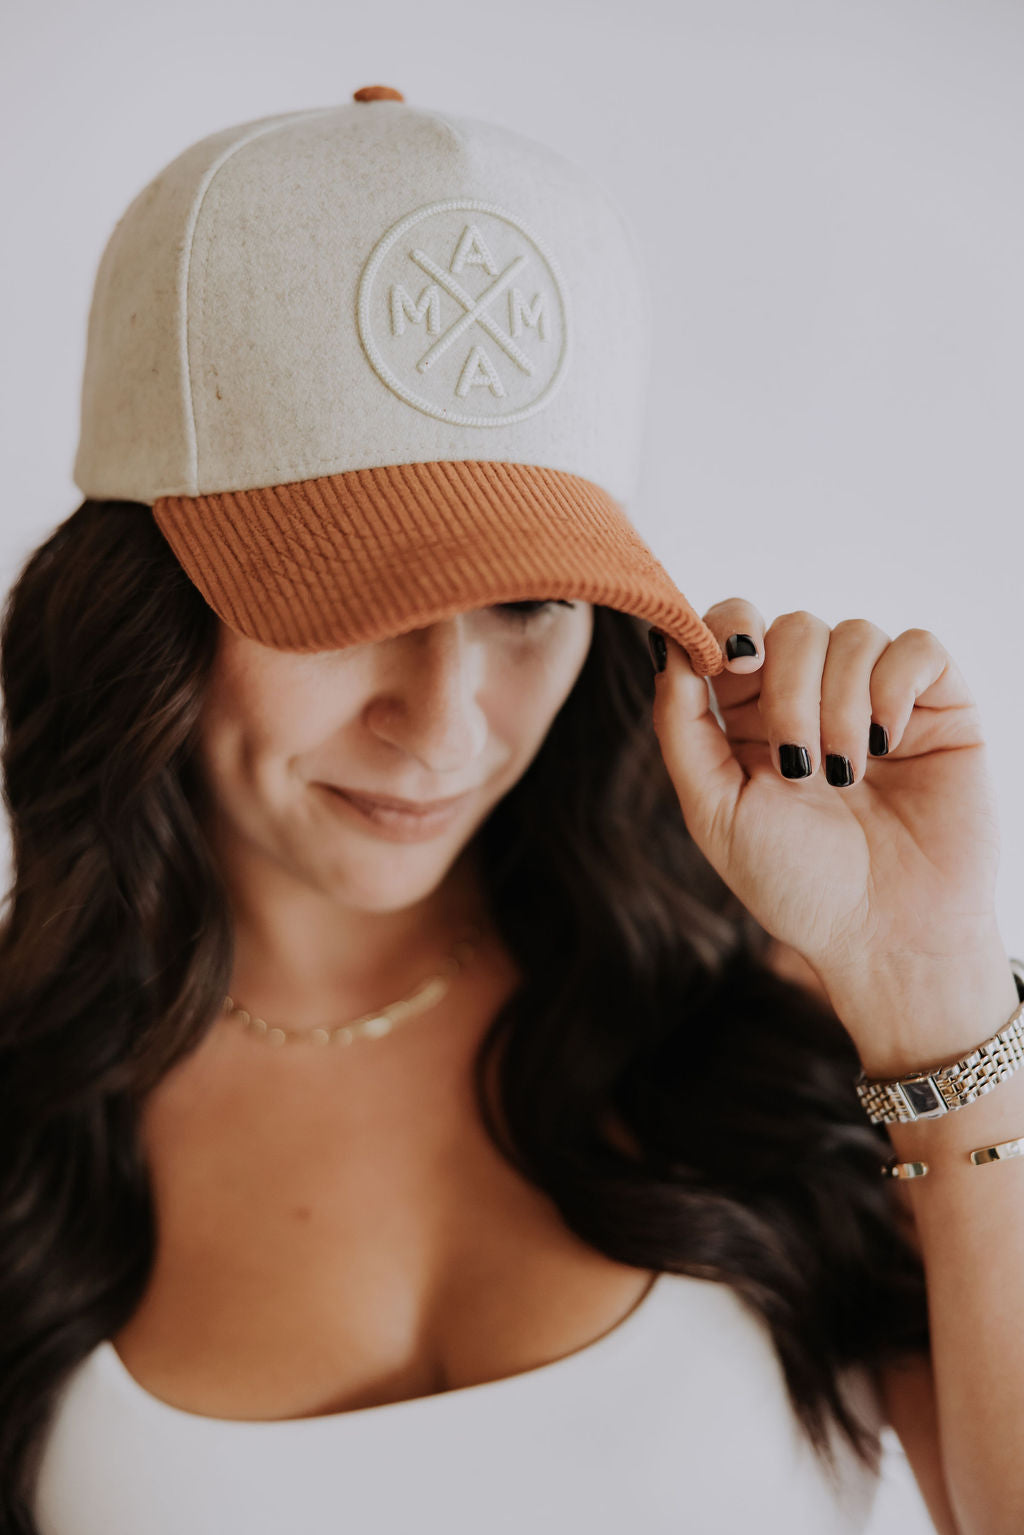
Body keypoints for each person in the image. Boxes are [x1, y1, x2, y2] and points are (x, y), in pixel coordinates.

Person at [4, 85, 1021, 1535]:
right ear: (142, 612)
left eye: (531, 606)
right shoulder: (24, 1099)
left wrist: (933, 989)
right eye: (350, 608)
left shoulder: (771, 1020)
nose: (445, 724)